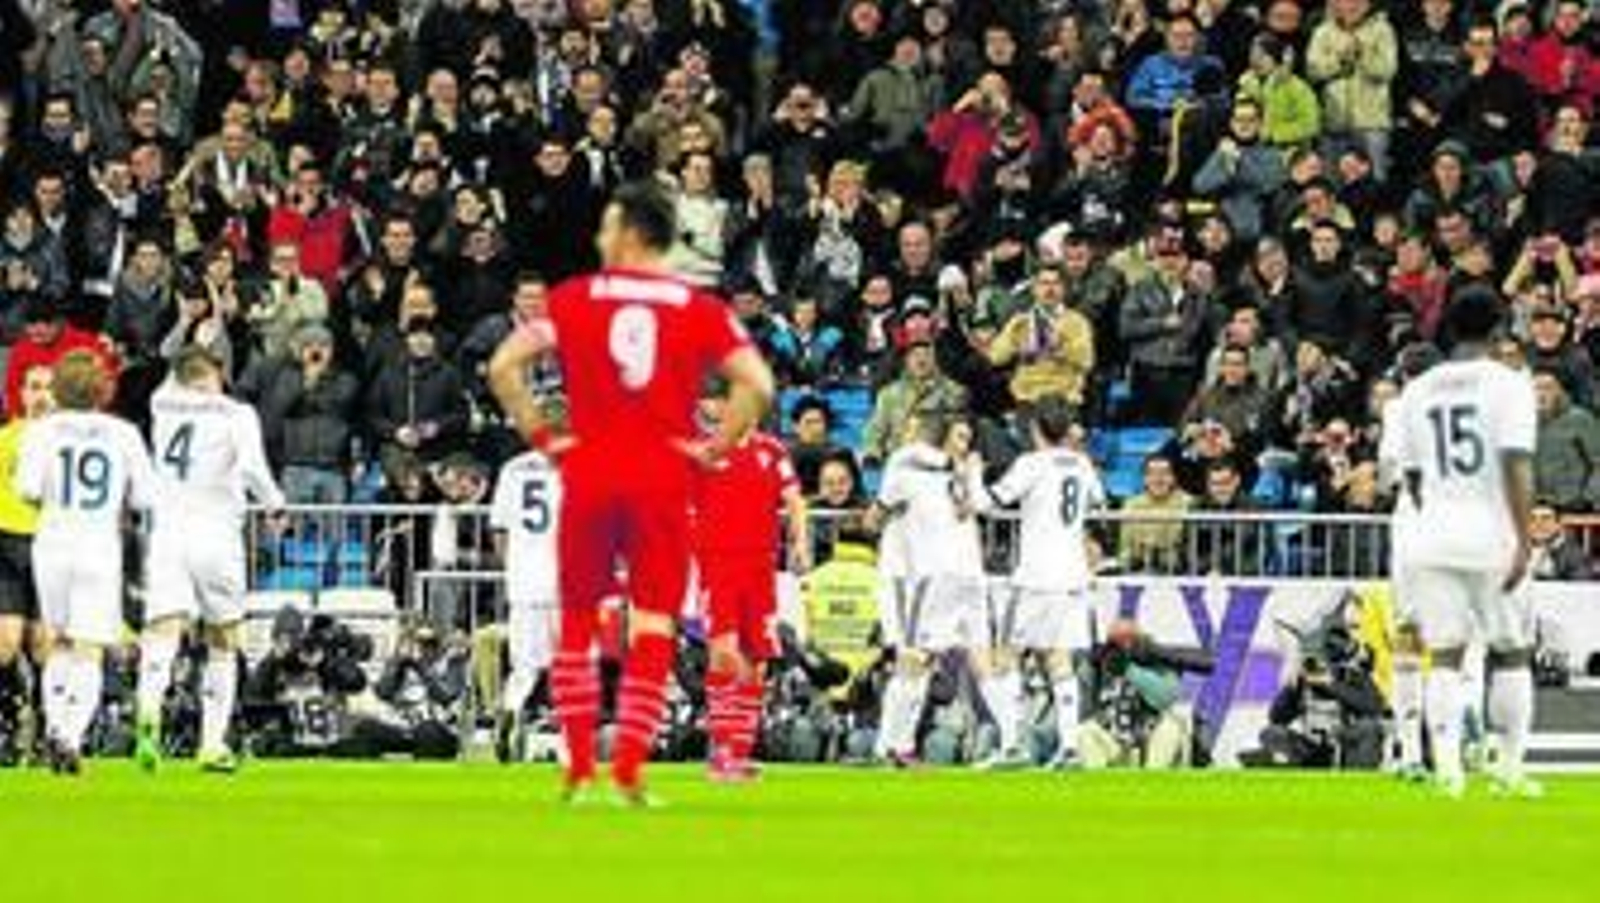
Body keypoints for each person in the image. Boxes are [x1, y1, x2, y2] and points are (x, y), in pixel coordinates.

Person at [488, 181, 775, 806]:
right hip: (662, 476)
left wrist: (542, 436)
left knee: (577, 618)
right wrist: (716, 447)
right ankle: (628, 772)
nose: (598, 238)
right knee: (652, 621)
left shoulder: (574, 298)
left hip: (590, 469)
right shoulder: (693, 306)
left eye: (607, 227)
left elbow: (503, 366)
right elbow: (756, 380)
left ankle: (578, 767)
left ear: (631, 235)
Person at [1392, 286, 1541, 798]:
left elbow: (1410, 476)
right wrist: (1524, 538)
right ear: (1499, 330)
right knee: (1512, 651)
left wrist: (1436, 508)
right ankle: (1509, 767)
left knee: (1446, 655)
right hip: (1492, 531)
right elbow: (1515, 462)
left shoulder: (1418, 389)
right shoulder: (1509, 384)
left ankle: (1449, 773)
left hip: (1432, 533)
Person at [135, 346, 286, 774]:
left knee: (162, 629)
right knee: (224, 638)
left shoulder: (160, 403)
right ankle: (212, 743)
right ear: (215, 374)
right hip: (216, 535)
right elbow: (254, 469)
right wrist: (276, 505)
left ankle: (148, 715)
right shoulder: (236, 414)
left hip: (167, 534)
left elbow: (173, 367)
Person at [15, 351, 155, 775]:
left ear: (58, 388)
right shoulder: (124, 433)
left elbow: (26, 488)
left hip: (53, 542)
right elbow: (146, 497)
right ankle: (71, 737)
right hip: (98, 546)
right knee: (89, 647)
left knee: (55, 640)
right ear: (102, 390)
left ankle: (56, 728)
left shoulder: (42, 432)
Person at [972, 395, 1105, 769]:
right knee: (1058, 659)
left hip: (1036, 578)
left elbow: (989, 503)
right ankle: (1070, 748)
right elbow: (1099, 500)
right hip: (1073, 577)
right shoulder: (1081, 464)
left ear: (1034, 429)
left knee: (1007, 656)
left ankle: (1011, 747)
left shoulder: (1031, 464)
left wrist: (970, 473)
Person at [691, 382, 810, 782]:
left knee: (757, 661)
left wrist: (800, 541)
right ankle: (721, 752)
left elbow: (794, 499)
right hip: (718, 566)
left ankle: (738, 752)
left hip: (761, 568)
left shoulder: (772, 451)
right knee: (724, 653)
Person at [869, 415, 985, 767]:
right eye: (959, 437)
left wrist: (968, 475)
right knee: (911, 656)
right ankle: (887, 746)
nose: (963, 445)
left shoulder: (955, 477)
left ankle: (899, 746)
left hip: (935, 580)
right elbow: (872, 518)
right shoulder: (906, 468)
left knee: (925, 660)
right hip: (905, 576)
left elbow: (971, 509)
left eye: (968, 438)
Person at [487, 411, 564, 764]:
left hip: (524, 580)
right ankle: (567, 740)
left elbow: (499, 528)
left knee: (525, 666)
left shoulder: (513, 469)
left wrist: (512, 569)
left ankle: (511, 708)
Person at [0, 365, 54, 765]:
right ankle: (5, 727)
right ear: (20, 394)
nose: (41, 396)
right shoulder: (5, 440)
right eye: (34, 388)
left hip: (51, 547)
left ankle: (41, 729)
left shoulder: (67, 443)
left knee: (43, 648)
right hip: (7, 544)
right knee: (5, 643)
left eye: (49, 388)